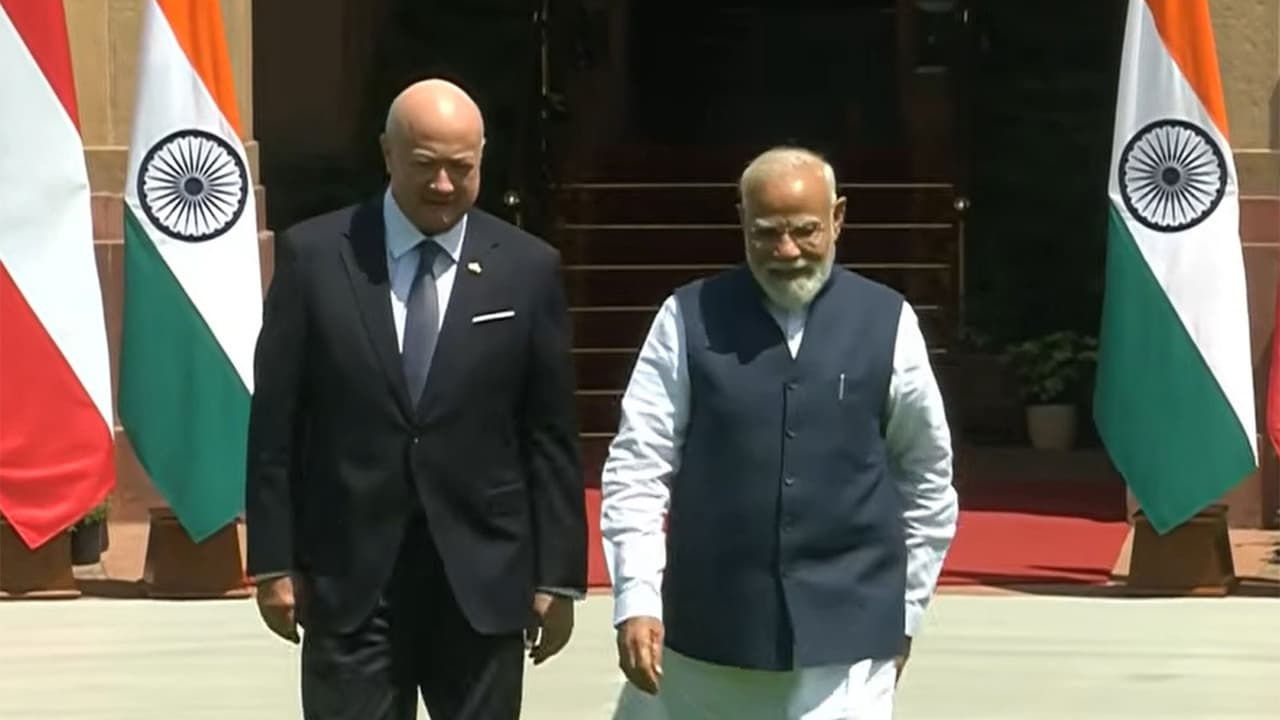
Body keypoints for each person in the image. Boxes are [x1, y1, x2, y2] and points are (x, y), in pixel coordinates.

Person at [245, 78, 587, 720]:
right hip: (351, 579)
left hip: (482, 581)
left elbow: (550, 435)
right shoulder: (316, 257)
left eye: (462, 168)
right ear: (387, 154)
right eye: (426, 165)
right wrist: (272, 561)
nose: (443, 185)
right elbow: (276, 426)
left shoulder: (527, 268)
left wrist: (559, 576)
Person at [600, 146, 959, 719]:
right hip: (708, 646)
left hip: (848, 650)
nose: (786, 250)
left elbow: (927, 477)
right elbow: (637, 469)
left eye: (805, 231)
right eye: (766, 232)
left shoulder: (889, 321)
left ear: (839, 218)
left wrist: (907, 610)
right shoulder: (685, 318)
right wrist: (637, 598)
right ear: (740, 220)